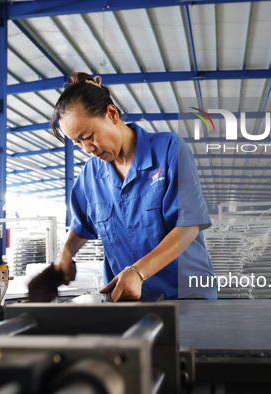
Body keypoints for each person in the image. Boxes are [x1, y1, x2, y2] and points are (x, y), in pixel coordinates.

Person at [50, 72, 216, 301]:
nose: (88, 149)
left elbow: (188, 227)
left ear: (111, 114)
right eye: (77, 143)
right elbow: (80, 226)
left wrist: (138, 272)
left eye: (88, 136)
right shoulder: (90, 175)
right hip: (128, 301)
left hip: (186, 295)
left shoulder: (168, 150)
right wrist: (65, 255)